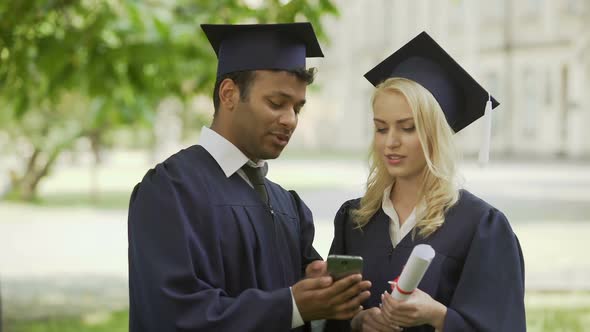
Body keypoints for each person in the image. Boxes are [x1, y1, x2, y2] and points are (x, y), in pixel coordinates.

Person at [128, 22, 371, 332]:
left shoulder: (289, 206)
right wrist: (292, 306)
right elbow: (173, 314)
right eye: (276, 103)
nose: (290, 120)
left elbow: (314, 310)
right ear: (229, 94)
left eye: (298, 108)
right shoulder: (170, 191)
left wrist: (326, 298)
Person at [324, 31, 526, 332]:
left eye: (407, 128)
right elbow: (331, 318)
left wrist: (439, 317)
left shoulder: (481, 227)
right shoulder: (355, 220)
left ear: (436, 135)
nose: (390, 142)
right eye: (381, 129)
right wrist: (357, 322)